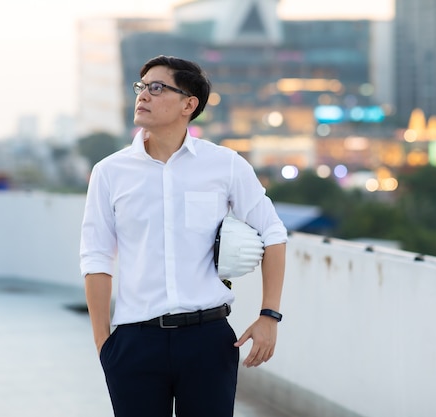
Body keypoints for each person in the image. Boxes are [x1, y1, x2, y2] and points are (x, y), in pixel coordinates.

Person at [79, 55, 287, 417]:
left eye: (157, 88)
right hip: (134, 343)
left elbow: (273, 233)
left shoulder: (225, 164)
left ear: (188, 105)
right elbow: (96, 256)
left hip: (207, 340)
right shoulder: (109, 172)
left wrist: (269, 315)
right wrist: (103, 344)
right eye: (141, 87)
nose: (143, 95)